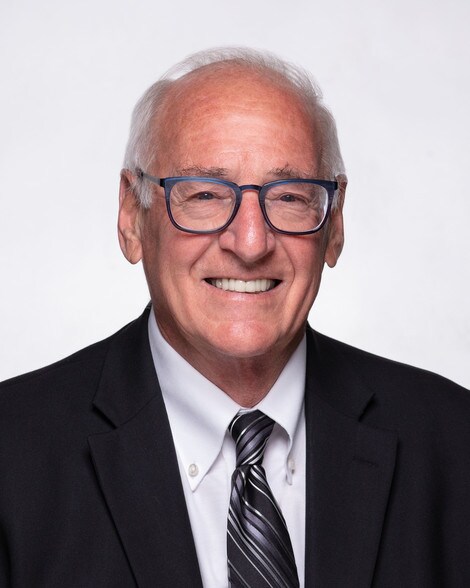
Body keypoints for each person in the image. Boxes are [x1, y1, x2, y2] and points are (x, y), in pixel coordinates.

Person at [0, 47, 469, 588]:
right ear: (132, 217)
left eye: (290, 197)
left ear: (334, 224)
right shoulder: (12, 457)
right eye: (205, 194)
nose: (250, 243)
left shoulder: (454, 443)